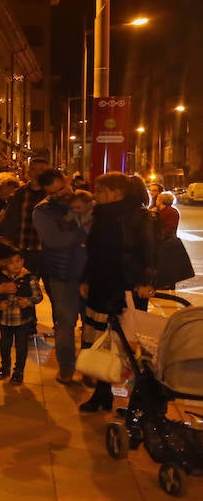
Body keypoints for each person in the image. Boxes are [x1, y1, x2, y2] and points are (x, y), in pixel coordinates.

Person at [79, 172, 157, 413]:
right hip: (101, 284)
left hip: (127, 287)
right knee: (102, 340)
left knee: (127, 343)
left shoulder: (141, 217)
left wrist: (146, 281)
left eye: (101, 191)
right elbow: (93, 251)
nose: (96, 195)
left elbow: (151, 251)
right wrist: (86, 279)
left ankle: (137, 400)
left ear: (116, 192)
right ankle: (102, 393)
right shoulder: (100, 215)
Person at [32, 169, 89, 384]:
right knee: (65, 323)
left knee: (91, 324)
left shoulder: (86, 199)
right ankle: (66, 366)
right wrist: (84, 232)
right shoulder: (43, 210)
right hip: (62, 274)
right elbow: (55, 240)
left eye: (62, 189)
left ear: (67, 180)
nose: (60, 195)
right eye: (53, 193)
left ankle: (88, 366)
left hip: (89, 273)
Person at [0, 247, 44, 383]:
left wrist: (28, 301)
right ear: (5, 263)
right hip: (5, 320)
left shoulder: (29, 278)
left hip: (23, 320)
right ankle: (5, 366)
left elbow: (38, 296)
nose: (15, 265)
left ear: (23, 261)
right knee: (5, 345)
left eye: (18, 261)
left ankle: (19, 370)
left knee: (21, 346)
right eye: (11, 262)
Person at [0, 157, 49, 275]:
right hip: (22, 247)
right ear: (28, 172)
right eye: (34, 169)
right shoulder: (20, 193)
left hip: (45, 249)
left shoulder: (51, 194)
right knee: (23, 286)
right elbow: (9, 220)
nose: (37, 173)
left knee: (51, 288)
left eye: (42, 170)